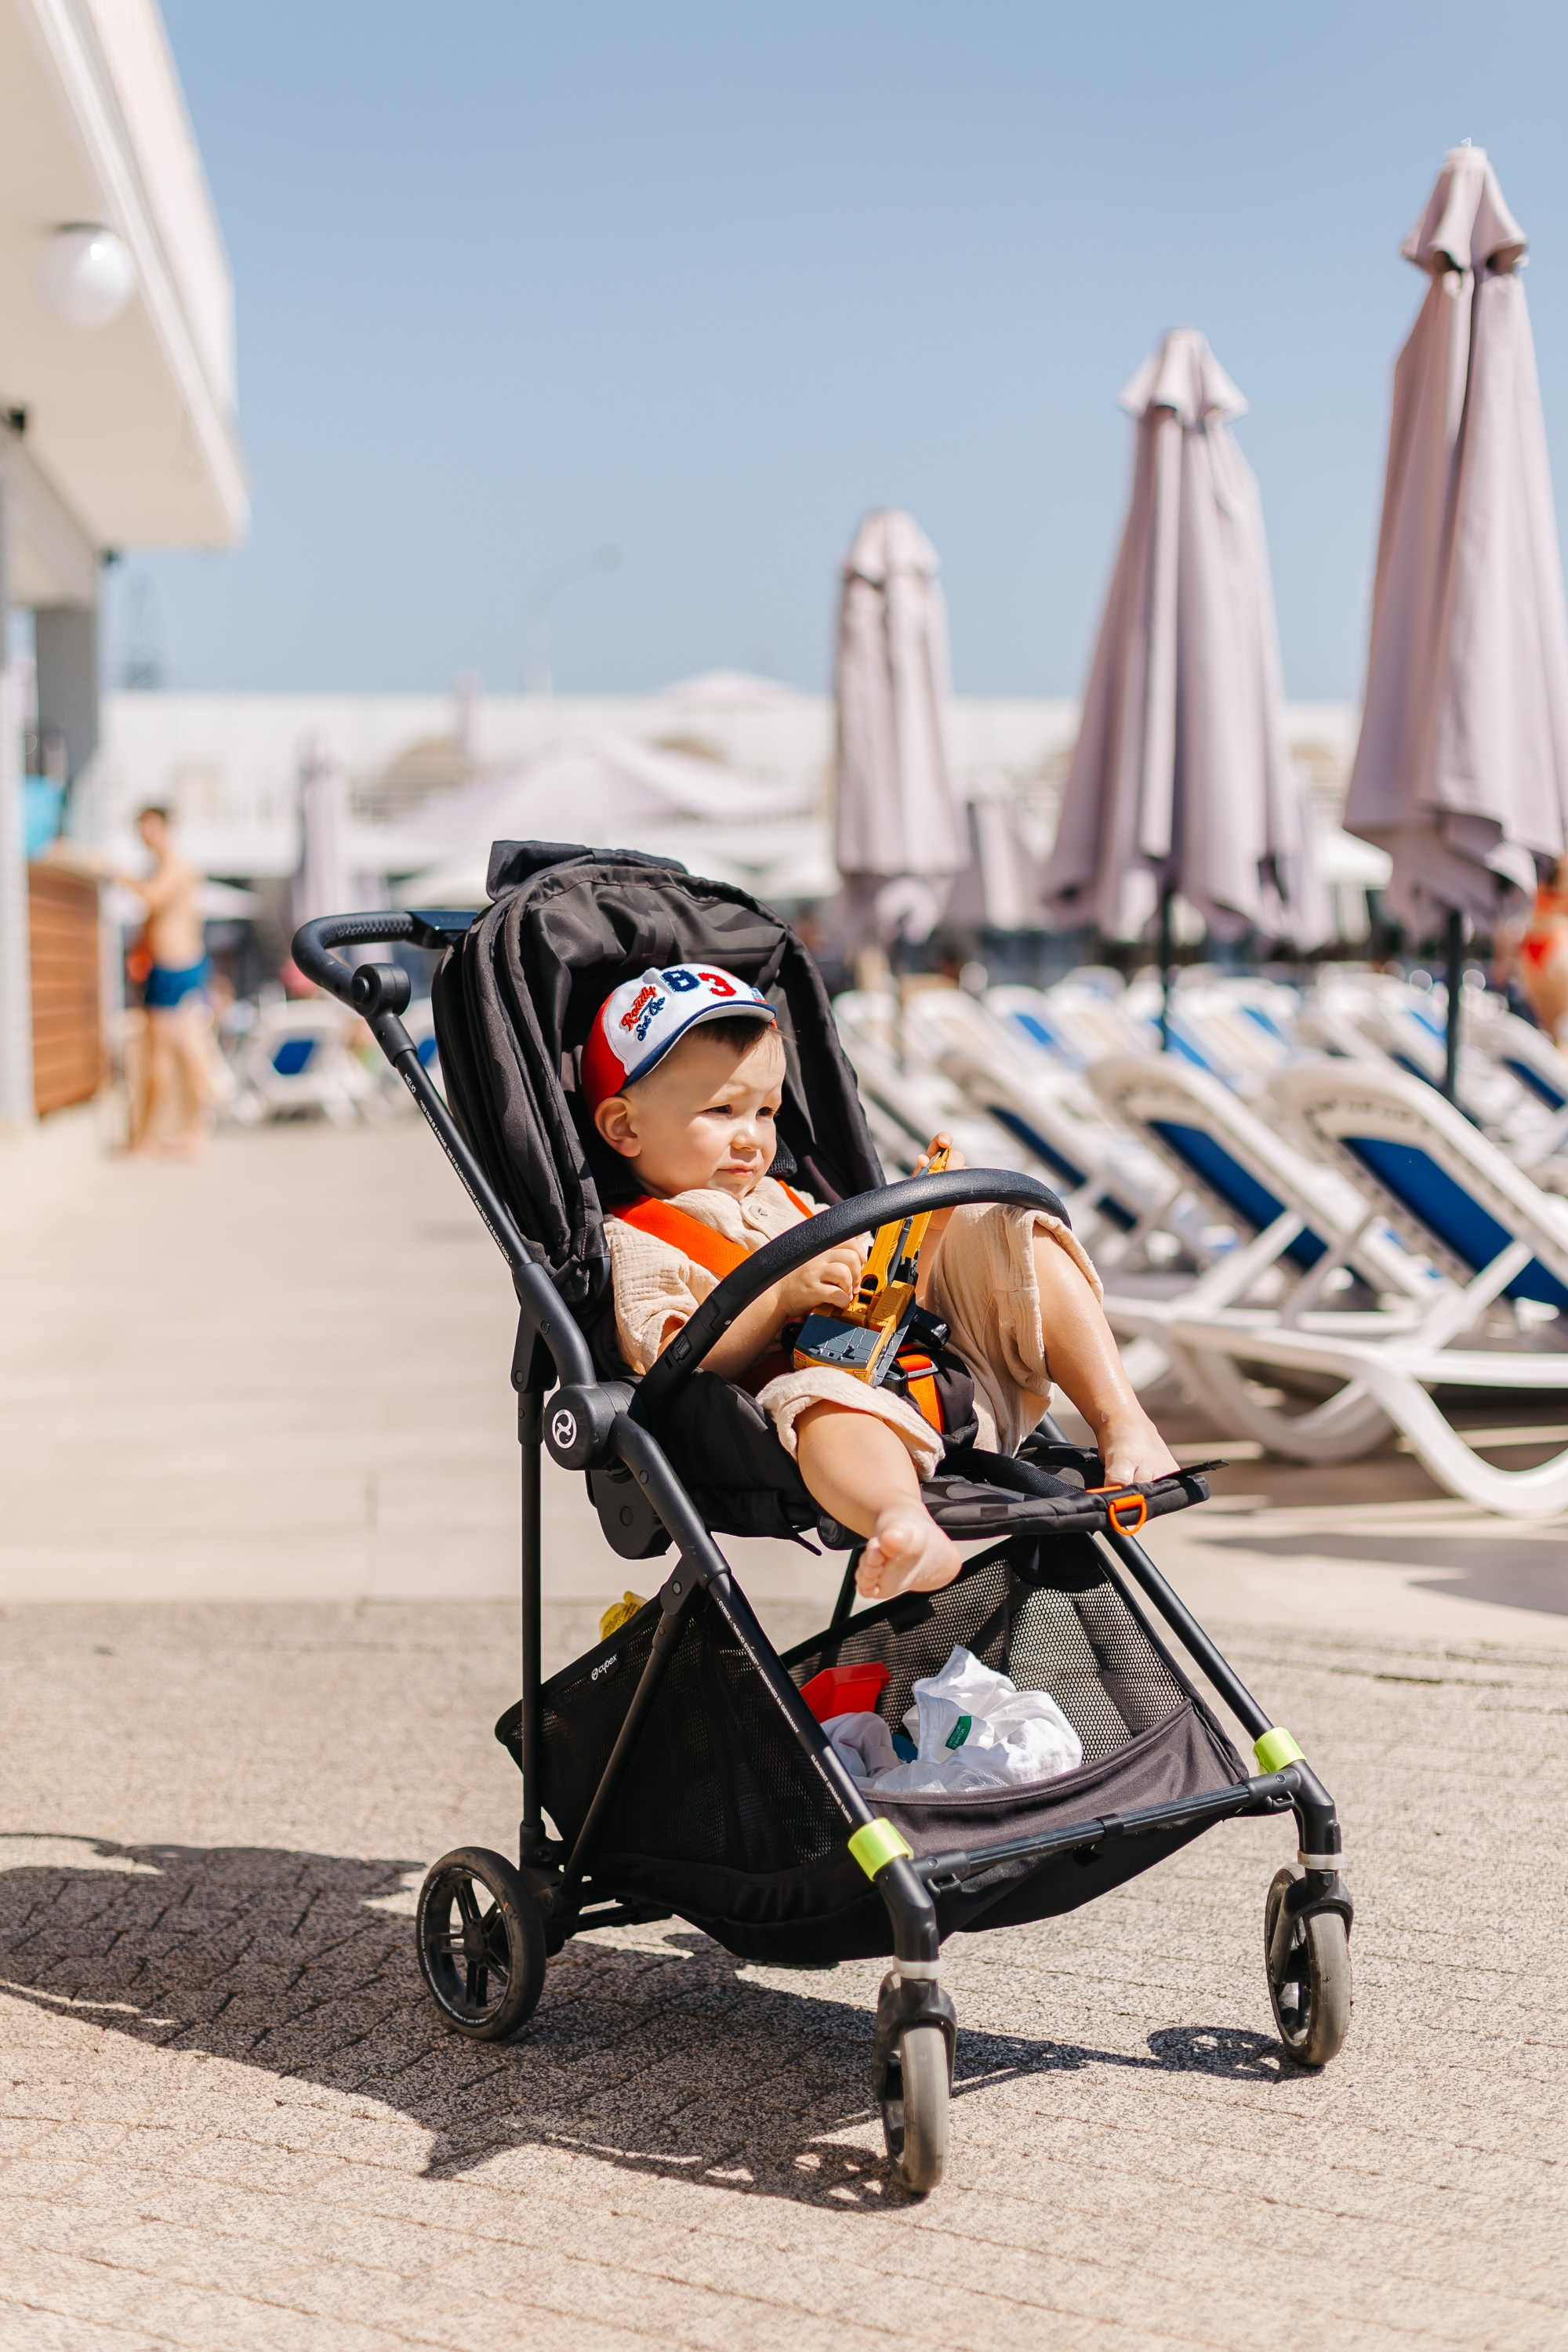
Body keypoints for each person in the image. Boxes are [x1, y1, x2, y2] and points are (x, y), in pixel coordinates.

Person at [587, 964, 1178, 1605]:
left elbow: (891, 1300)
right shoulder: (639, 1238)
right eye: (722, 1110)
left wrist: (924, 1239)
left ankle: (1123, 1422)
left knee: (1011, 1228)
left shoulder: (789, 1199)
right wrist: (778, 1299)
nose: (752, 1137)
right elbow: (668, 1356)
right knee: (821, 1398)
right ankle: (901, 1521)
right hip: (833, 1432)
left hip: (950, 1383)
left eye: (766, 1111)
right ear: (624, 1127)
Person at [119, 804, 213, 1154]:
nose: (144, 834)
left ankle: (149, 1138)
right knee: (183, 1052)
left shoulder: (177, 866)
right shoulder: (163, 867)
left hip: (176, 969)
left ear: (163, 827)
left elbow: (154, 898)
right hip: (172, 968)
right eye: (140, 827)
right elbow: (153, 917)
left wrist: (117, 874)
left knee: (168, 1055)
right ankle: (188, 1131)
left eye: (149, 826)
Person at [1515, 859, 1568, 1042]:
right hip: (1555, 942)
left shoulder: (1538, 868)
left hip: (1533, 944)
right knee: (1560, 1028)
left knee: (1554, 1028)